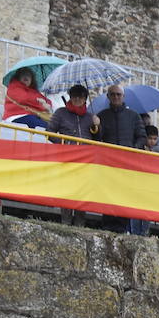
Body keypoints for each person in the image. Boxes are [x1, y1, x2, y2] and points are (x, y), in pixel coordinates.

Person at [94, 84, 147, 234]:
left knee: (124, 194)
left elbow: (141, 137)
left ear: (123, 97)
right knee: (109, 193)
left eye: (118, 94)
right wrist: (96, 127)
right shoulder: (101, 116)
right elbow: (97, 138)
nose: (116, 97)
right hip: (109, 162)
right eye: (113, 94)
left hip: (127, 164)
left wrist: (132, 150)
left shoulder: (134, 116)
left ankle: (123, 227)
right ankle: (108, 225)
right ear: (108, 97)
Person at [47, 85, 97, 227]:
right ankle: (66, 222)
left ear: (85, 99)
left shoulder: (90, 117)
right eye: (74, 96)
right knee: (68, 190)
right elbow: (49, 131)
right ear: (70, 97)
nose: (77, 99)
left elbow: (97, 137)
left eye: (80, 97)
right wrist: (64, 144)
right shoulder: (61, 113)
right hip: (67, 158)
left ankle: (80, 223)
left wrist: (97, 126)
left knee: (82, 191)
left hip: (85, 160)